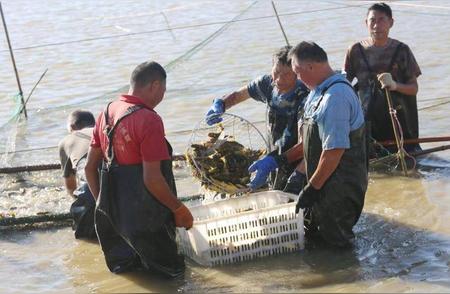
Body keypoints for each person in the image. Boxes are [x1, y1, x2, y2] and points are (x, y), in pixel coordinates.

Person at [249, 41, 368, 247]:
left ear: (311, 67)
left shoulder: (335, 97)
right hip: (321, 183)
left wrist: (311, 189)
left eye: (296, 71)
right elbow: (306, 143)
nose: (296, 78)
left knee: (338, 247)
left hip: (339, 188)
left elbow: (333, 152)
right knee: (314, 242)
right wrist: (276, 160)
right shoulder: (316, 92)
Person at [85, 61, 193, 277]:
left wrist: (104, 206)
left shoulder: (106, 112)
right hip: (147, 223)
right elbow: (152, 179)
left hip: (113, 225)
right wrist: (179, 209)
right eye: (163, 89)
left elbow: (89, 168)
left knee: (132, 278)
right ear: (154, 85)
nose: (162, 96)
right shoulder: (149, 119)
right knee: (172, 279)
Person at [205, 45, 309, 191]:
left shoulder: (305, 97)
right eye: (276, 72)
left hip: (300, 165)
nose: (278, 80)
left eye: (285, 75)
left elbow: (306, 145)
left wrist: (274, 162)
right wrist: (221, 104)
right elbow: (238, 95)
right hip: (274, 157)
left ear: (296, 73)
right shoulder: (267, 85)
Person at [344, 2, 422, 154]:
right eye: (372, 20)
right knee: (370, 158)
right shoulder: (355, 50)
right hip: (367, 121)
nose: (376, 25)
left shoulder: (402, 50)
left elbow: (414, 89)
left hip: (399, 121)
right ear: (366, 23)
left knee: (408, 160)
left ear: (391, 22)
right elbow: (344, 85)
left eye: (381, 20)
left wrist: (394, 85)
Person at [58, 110, 96, 239]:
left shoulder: (66, 140)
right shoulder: (103, 130)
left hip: (90, 179)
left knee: (85, 236)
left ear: (72, 127)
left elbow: (70, 185)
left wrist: (76, 199)